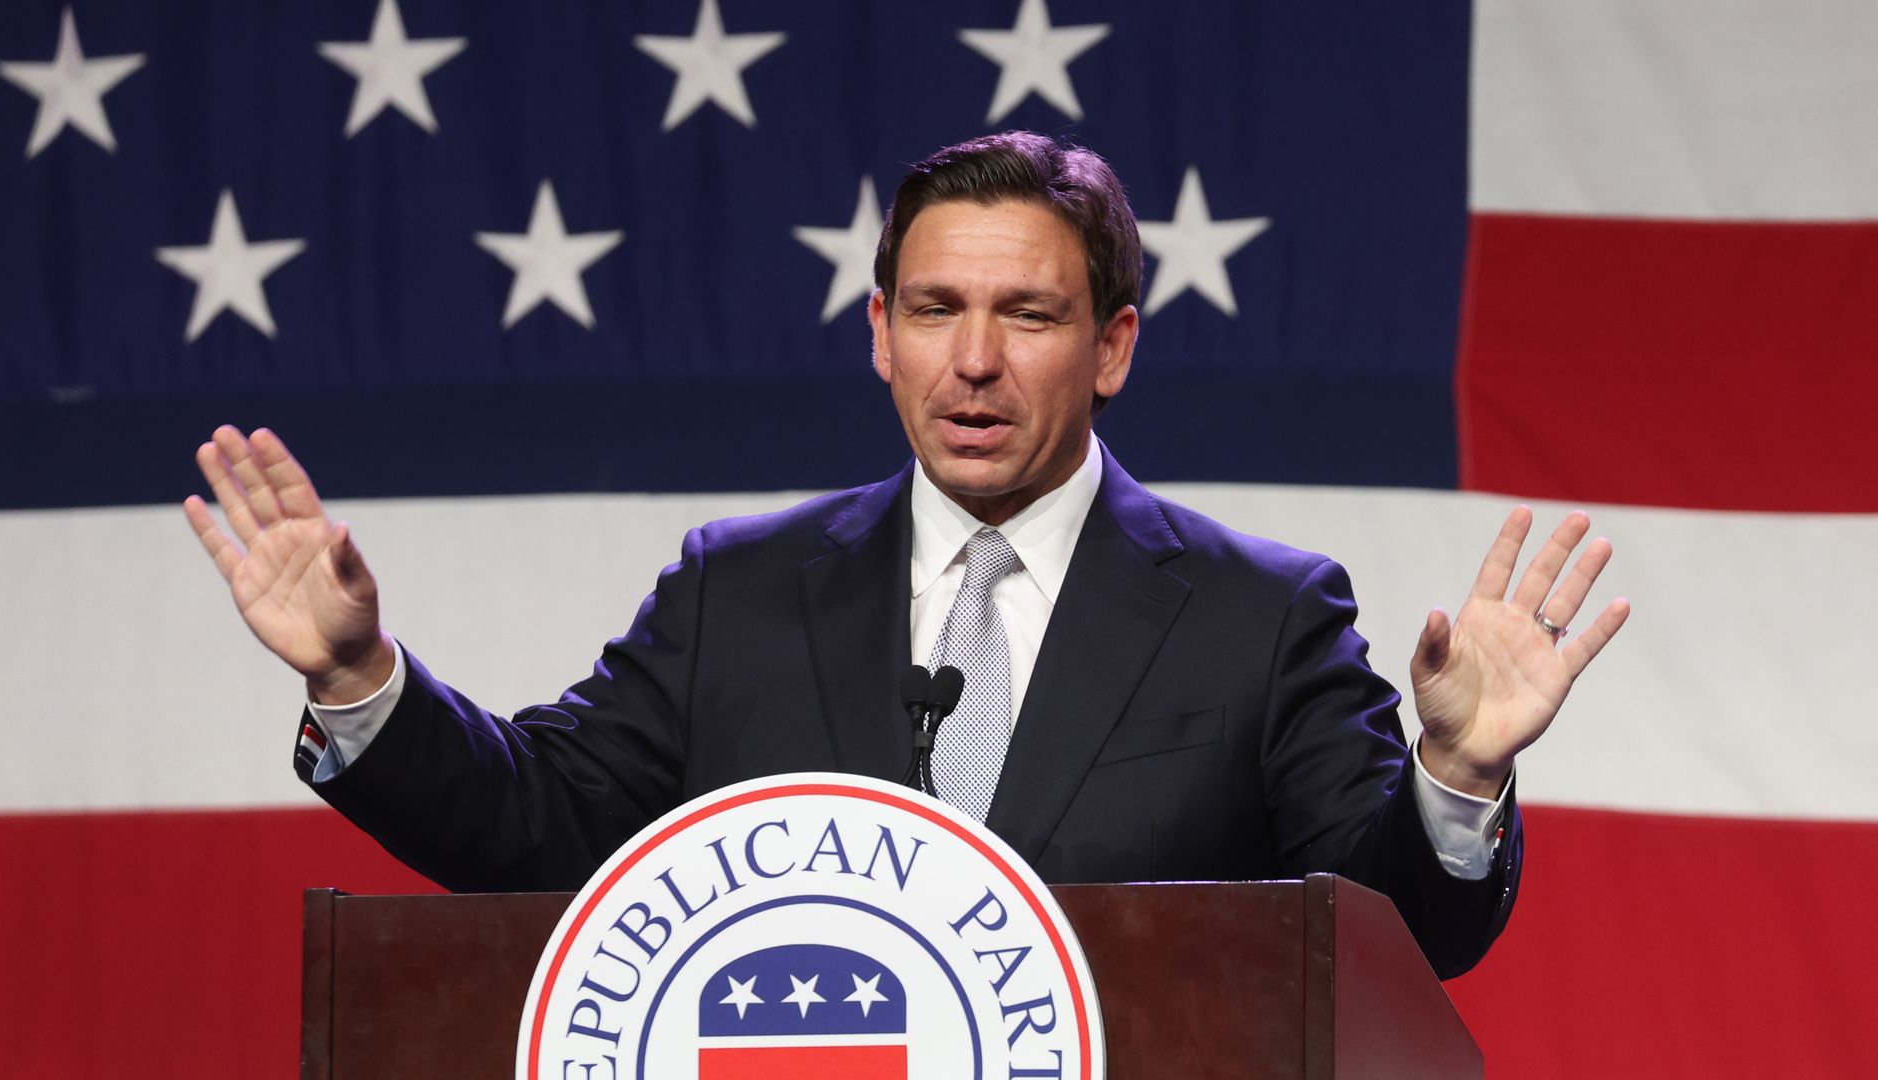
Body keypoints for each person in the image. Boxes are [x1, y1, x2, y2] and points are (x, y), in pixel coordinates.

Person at [184, 132, 1627, 979]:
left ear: (1115, 345)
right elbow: (538, 831)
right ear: (878, 334)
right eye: (934, 308)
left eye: (1032, 316)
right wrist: (364, 677)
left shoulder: (1262, 614)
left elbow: (1385, 945)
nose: (976, 363)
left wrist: (1457, 777)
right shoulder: (735, 591)